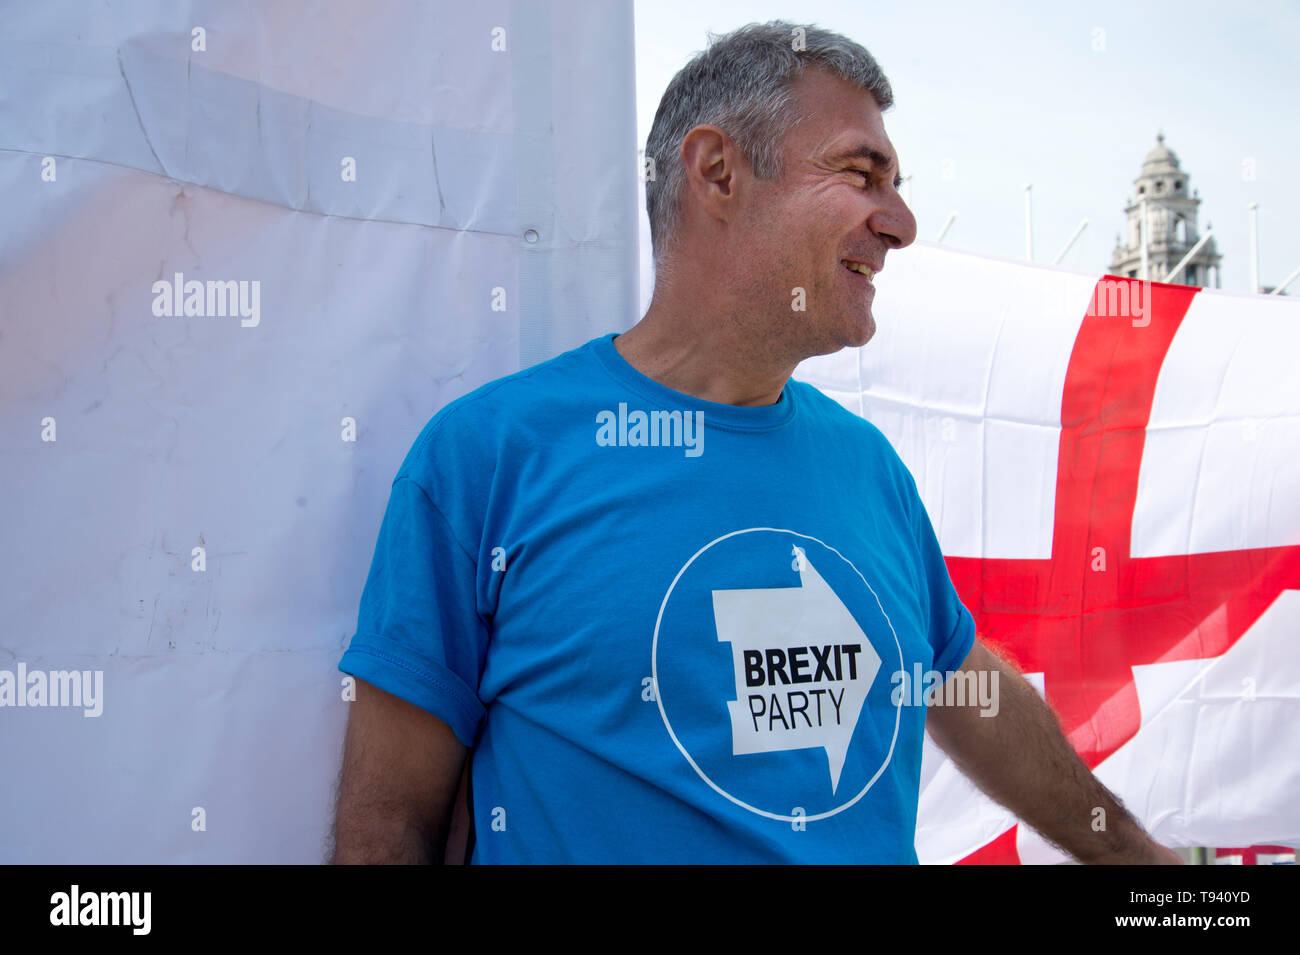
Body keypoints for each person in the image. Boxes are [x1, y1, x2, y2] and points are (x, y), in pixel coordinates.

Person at [329, 20, 1180, 864]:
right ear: (719, 173)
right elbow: (389, 824)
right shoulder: (489, 458)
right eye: (861, 173)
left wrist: (1150, 869)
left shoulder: (867, 468)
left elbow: (963, 687)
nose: (902, 222)